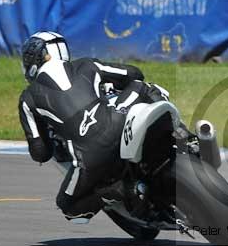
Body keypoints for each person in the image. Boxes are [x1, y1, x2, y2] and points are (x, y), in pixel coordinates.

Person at [18, 31, 167, 222]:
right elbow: (133, 74)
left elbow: (40, 153)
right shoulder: (86, 64)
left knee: (67, 205)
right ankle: (183, 136)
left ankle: (117, 191)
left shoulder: (27, 98)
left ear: (37, 58)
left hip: (89, 158)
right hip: (119, 122)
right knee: (140, 86)